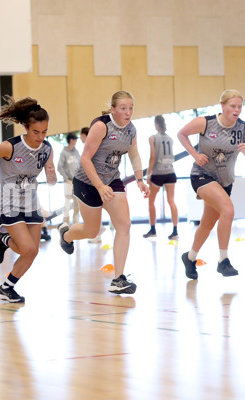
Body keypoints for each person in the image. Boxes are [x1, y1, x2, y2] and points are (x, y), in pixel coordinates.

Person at [58, 91, 149, 295]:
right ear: (113, 109)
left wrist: (140, 179)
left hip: (111, 180)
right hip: (87, 182)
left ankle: (118, 279)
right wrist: (99, 186)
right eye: (123, 108)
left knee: (124, 225)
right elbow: (85, 159)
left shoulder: (131, 130)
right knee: (92, 231)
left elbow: (134, 155)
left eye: (131, 108)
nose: (128, 112)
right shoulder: (101, 126)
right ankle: (66, 235)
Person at [0, 96, 57, 303]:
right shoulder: (10, 147)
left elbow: (50, 176)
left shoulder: (47, 149)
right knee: (27, 248)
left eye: (44, 131)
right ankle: (5, 239)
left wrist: (52, 174)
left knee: (32, 252)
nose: (40, 136)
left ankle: (6, 287)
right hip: (7, 198)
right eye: (36, 132)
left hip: (30, 199)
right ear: (26, 127)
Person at [178, 89, 245, 279]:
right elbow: (181, 134)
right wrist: (195, 154)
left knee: (207, 223)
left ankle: (190, 257)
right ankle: (223, 261)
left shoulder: (243, 128)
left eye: (239, 106)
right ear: (223, 106)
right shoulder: (205, 123)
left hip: (225, 181)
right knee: (228, 210)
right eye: (232, 106)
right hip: (202, 175)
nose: (237, 110)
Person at [144, 115, 179, 240]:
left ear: (156, 124)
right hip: (170, 172)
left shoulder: (152, 138)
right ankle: (175, 231)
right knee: (171, 201)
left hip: (158, 173)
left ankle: (153, 229)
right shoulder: (170, 139)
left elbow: (152, 157)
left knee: (151, 202)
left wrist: (148, 174)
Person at [57, 132, 81, 225]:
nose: (75, 141)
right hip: (68, 181)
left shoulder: (77, 152)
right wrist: (66, 178)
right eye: (74, 139)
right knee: (67, 203)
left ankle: (76, 223)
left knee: (77, 204)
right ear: (70, 140)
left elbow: (79, 165)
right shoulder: (64, 152)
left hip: (77, 181)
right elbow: (59, 167)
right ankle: (65, 223)